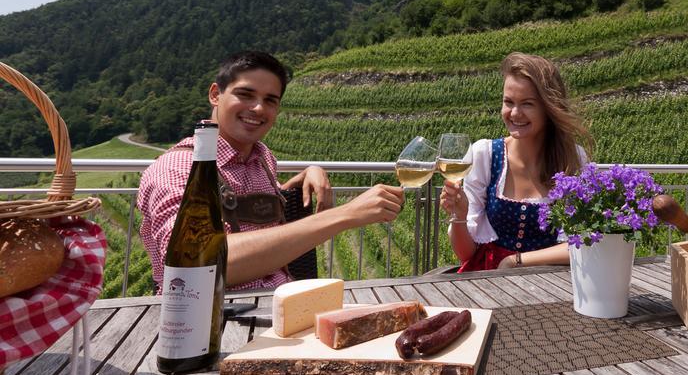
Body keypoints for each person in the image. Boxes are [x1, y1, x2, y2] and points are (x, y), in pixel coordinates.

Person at [138, 50, 404, 292]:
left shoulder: (262, 157)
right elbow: (192, 261)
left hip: (280, 305)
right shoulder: (179, 168)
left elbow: (254, 211)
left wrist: (305, 176)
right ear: (215, 94)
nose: (258, 108)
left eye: (270, 100)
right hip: (214, 322)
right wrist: (345, 215)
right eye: (245, 94)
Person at [441, 52, 593, 271]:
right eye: (508, 102)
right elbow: (466, 254)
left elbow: (580, 243)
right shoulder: (485, 154)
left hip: (548, 279)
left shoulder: (572, 159)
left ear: (549, 108)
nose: (514, 113)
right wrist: (459, 217)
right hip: (488, 278)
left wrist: (516, 260)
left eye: (527, 104)